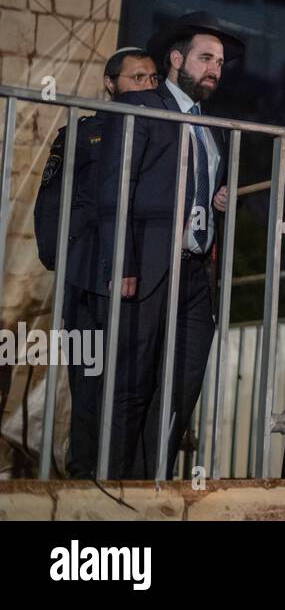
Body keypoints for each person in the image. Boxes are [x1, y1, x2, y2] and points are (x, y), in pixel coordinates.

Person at [95, 12, 242, 478]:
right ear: (176, 59)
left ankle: (151, 484)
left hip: (196, 272)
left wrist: (219, 202)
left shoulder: (211, 125)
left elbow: (202, 188)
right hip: (150, 265)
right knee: (132, 383)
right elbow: (116, 189)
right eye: (205, 57)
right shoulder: (142, 105)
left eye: (219, 61)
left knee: (182, 385)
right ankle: (113, 489)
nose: (214, 68)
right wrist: (124, 262)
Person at [33, 46, 157, 478]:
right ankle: (84, 482)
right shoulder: (83, 133)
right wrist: (64, 256)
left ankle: (125, 481)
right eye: (135, 78)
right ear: (110, 85)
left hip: (143, 281)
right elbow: (52, 202)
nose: (145, 86)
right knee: (89, 385)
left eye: (151, 79)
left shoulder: (164, 133)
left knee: (135, 388)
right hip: (88, 280)